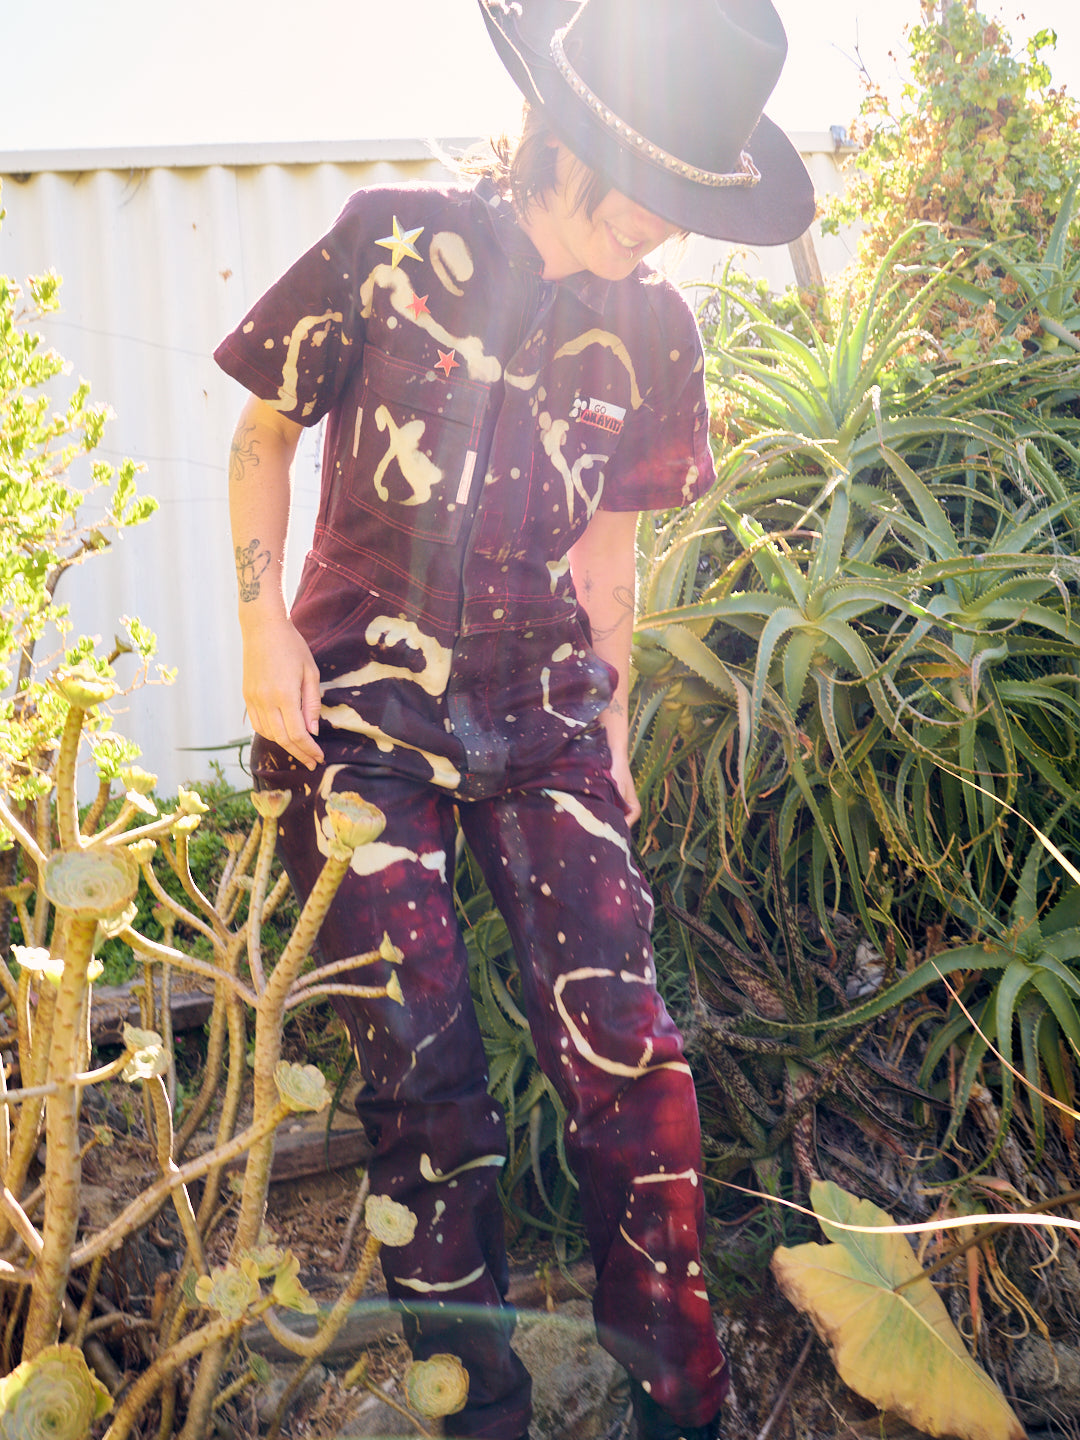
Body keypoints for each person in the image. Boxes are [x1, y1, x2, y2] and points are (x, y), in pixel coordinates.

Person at [214, 3, 814, 1437]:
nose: (665, 231)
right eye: (653, 192)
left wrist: (610, 735)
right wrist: (259, 627)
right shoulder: (385, 242)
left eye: (691, 205)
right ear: (577, 137)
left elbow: (611, 551)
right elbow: (263, 432)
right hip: (361, 707)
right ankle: (472, 1411)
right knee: (422, 1085)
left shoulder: (656, 326)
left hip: (546, 712)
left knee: (634, 1060)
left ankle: (682, 1404)